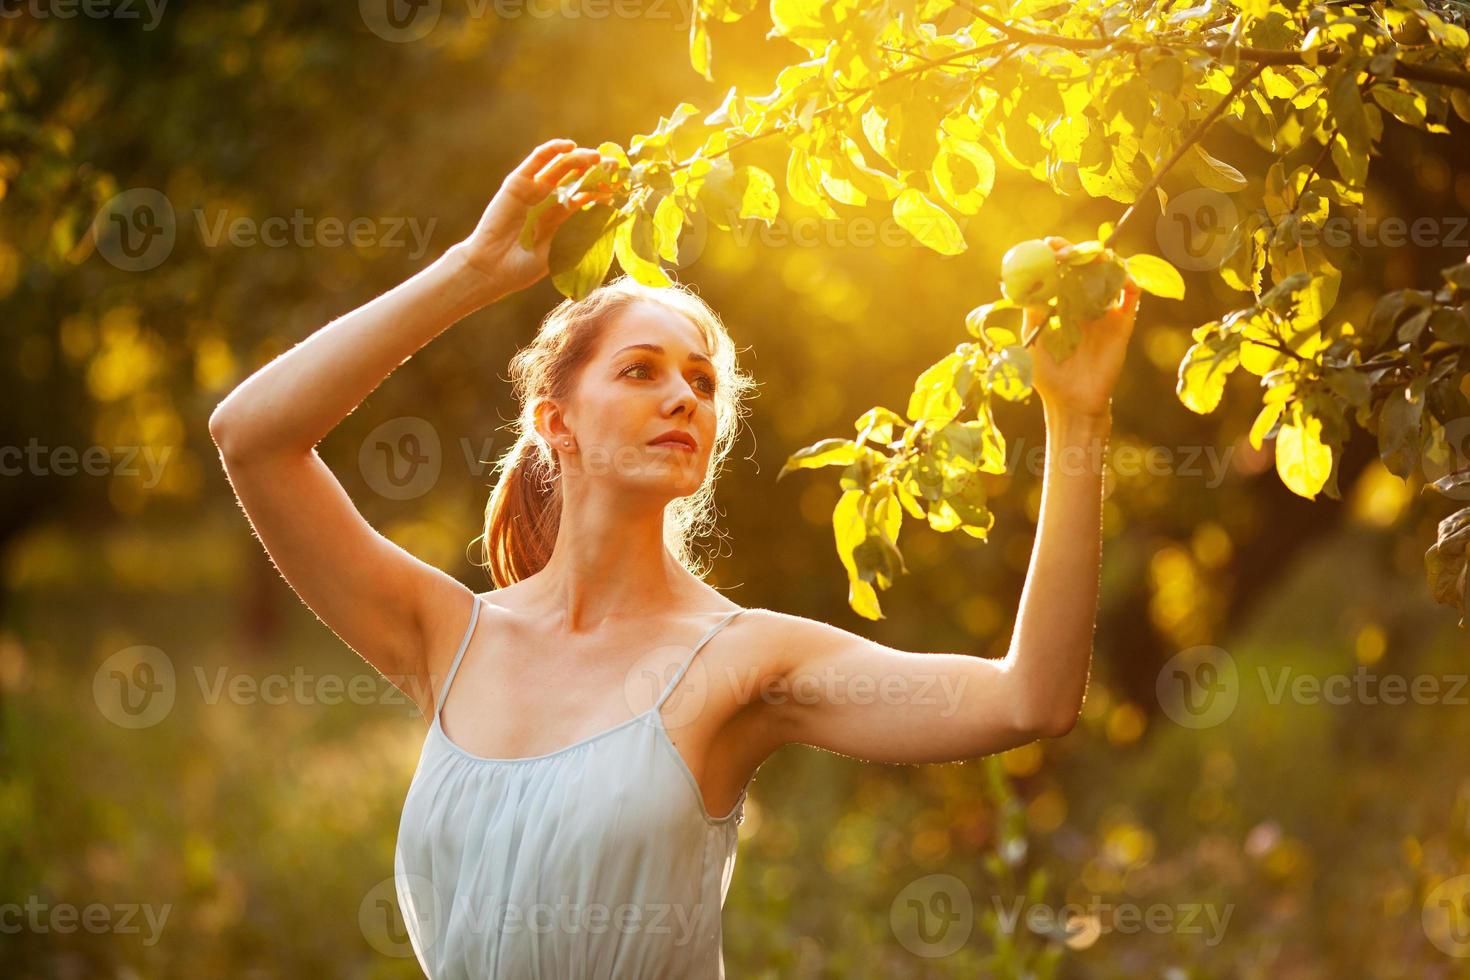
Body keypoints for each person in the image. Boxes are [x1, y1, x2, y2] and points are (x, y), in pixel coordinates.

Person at [207, 138, 1141, 978]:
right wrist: (474, 270)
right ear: (554, 423)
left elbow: (1032, 698)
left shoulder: (743, 662)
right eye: (641, 370)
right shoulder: (446, 638)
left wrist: (1076, 416)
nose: (683, 398)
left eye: (702, 382)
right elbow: (250, 436)